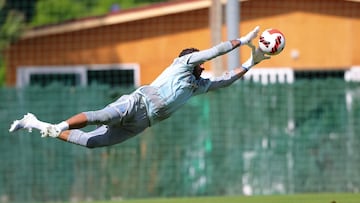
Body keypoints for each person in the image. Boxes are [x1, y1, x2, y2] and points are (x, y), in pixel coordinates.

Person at [9, 26, 270, 148]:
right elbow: (213, 52)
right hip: (136, 102)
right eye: (199, 63)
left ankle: (37, 123)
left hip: (143, 123)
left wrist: (251, 61)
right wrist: (240, 41)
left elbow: (225, 80)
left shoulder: (196, 85)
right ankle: (61, 126)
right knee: (102, 116)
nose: (203, 67)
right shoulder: (182, 63)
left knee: (92, 143)